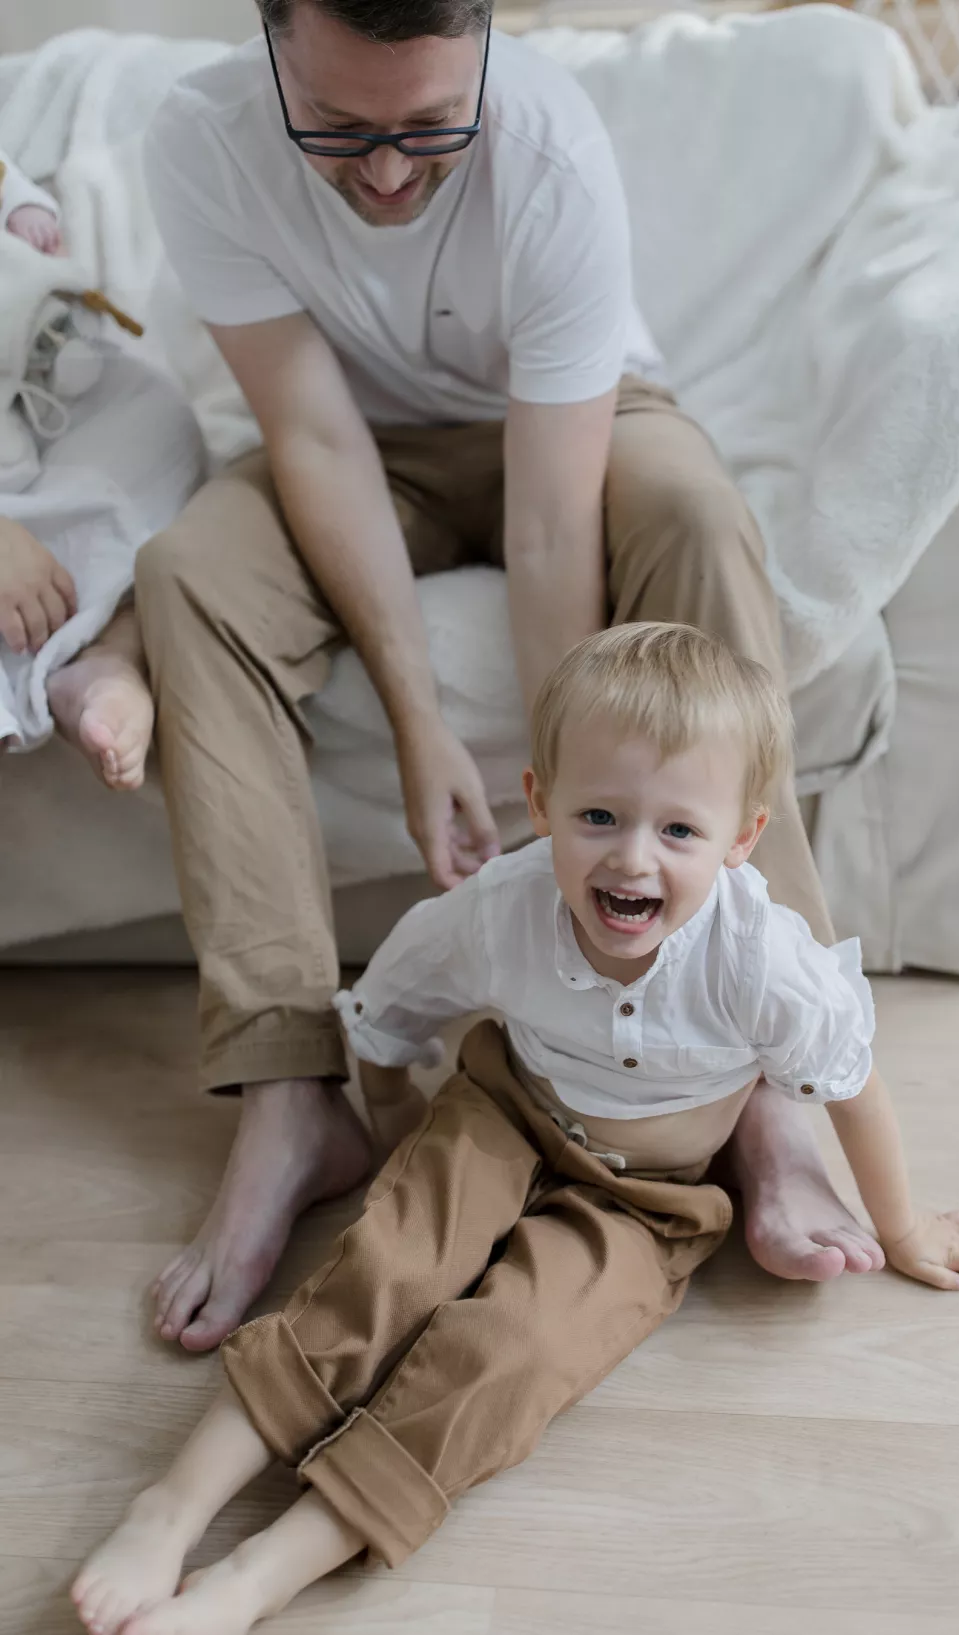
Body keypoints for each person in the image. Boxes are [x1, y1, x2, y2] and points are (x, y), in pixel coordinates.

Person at [138, 0, 891, 1353]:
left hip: (577, 423)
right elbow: (311, 434)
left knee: (703, 518)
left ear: (482, 55)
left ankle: (772, 1087)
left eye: (427, 129)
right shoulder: (199, 138)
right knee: (189, 568)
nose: (384, 174)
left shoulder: (544, 147)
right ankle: (289, 1092)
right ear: (269, 43)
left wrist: (570, 818)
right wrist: (422, 722)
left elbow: (550, 524)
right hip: (361, 442)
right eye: (340, 130)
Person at [71, 624, 959, 1635]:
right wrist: (396, 1121)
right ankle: (169, 1508)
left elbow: (852, 1083)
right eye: (599, 816)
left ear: (741, 841)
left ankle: (261, 1575)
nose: (630, 858)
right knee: (384, 1270)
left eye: (678, 832)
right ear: (540, 805)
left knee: (512, 1351)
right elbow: (395, 1001)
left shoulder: (760, 956)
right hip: (505, 1117)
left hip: (649, 1200)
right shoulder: (505, 908)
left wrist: (907, 1226)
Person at [0, 149, 201, 783]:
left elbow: (9, 181)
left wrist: (25, 208)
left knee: (156, 422)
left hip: (41, 398)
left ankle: (93, 652)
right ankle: (63, 666)